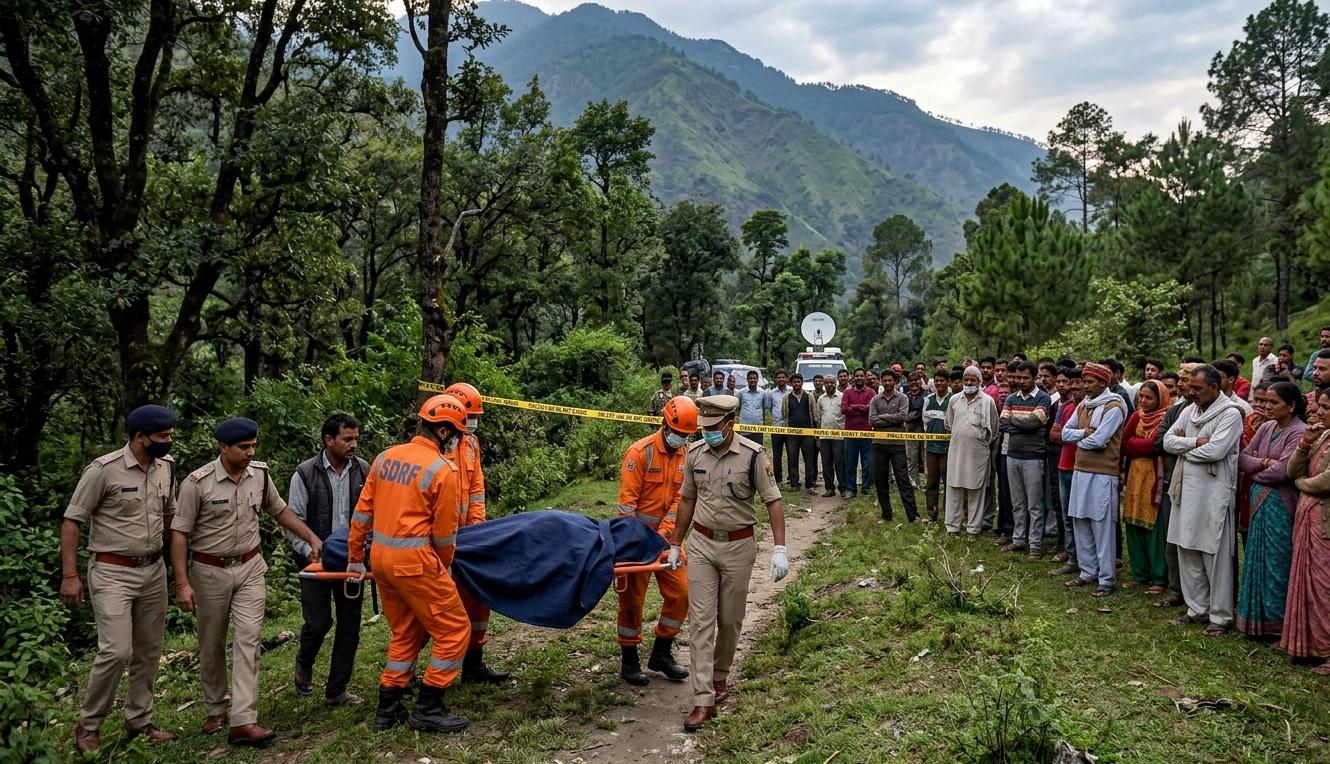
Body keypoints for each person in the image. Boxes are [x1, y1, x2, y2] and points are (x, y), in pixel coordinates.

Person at [172, 417, 323, 746]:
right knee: (211, 644)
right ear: (223, 447)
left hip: (251, 567)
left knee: (249, 642)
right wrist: (181, 581)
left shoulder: (261, 474)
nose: (250, 452)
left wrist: (311, 537)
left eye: (253, 445)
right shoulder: (197, 483)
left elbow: (279, 510)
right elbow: (180, 533)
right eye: (243, 447)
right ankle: (215, 708)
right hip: (209, 571)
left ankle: (244, 720)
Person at [348, 395, 473, 734]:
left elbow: (361, 514)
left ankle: (387, 709)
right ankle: (429, 706)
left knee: (406, 632)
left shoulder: (385, 458)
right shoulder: (442, 471)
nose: (459, 439)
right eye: (458, 433)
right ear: (445, 432)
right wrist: (443, 567)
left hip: (382, 562)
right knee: (454, 630)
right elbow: (445, 536)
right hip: (416, 563)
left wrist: (355, 558)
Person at [63, 405, 180, 755]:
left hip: (153, 569)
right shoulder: (103, 470)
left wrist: (179, 572)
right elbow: (72, 521)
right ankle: (89, 725)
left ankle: (139, 720)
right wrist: (70, 575)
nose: (168, 441)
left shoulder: (166, 467)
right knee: (116, 650)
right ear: (139, 437)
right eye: (162, 437)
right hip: (112, 571)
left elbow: (172, 518)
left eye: (170, 436)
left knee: (148, 649)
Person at [667, 395, 786, 732]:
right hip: (702, 544)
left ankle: (720, 676)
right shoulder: (694, 454)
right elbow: (688, 499)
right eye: (703, 428)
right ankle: (703, 698)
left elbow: (773, 501)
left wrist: (780, 548)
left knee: (730, 620)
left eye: (713, 427)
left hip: (738, 547)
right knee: (701, 622)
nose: (706, 433)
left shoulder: (752, 455)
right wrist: (676, 543)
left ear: (729, 424)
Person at [288, 413, 370, 705]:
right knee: (318, 622)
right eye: (347, 439)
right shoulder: (305, 473)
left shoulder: (363, 471)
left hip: (351, 560)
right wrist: (308, 549)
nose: (354, 445)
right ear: (329, 440)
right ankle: (304, 662)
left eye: (356, 439)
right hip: (315, 563)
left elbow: (372, 517)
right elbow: (293, 520)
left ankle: (337, 689)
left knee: (350, 624)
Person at [616, 396, 695, 686]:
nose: (682, 439)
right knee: (631, 601)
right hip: (635, 540)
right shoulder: (640, 453)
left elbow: (682, 501)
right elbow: (626, 507)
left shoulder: (689, 455)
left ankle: (661, 651)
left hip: (669, 541)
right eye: (679, 433)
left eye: (688, 435)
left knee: (682, 594)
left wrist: (667, 538)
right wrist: (637, 542)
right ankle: (629, 660)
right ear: (664, 423)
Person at [1163, 365, 1244, 636]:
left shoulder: (1231, 414)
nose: (1191, 392)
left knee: (1214, 554)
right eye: (1191, 388)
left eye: (1197, 388)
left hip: (1213, 494)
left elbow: (1217, 450)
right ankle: (1196, 608)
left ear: (1215, 387)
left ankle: (1220, 616)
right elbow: (1167, 442)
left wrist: (1185, 449)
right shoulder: (1188, 410)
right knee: (1187, 548)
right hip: (1185, 490)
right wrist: (1195, 443)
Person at [444, 381, 508, 684]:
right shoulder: (435, 447)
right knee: (440, 607)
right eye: (469, 416)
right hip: (438, 541)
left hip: (469, 539)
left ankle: (474, 663)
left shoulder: (471, 443)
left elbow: (476, 490)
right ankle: (422, 674)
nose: (473, 422)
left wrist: (477, 532)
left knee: (477, 599)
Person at [1236, 382, 1307, 638]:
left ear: (1291, 406)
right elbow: (1242, 457)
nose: (1266, 406)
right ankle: (1256, 621)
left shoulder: (1299, 432)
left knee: (1278, 562)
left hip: (1281, 504)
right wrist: (1263, 462)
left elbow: (1284, 470)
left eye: (1273, 402)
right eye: (1265, 401)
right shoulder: (1266, 427)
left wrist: (1257, 472)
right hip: (1260, 502)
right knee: (1257, 558)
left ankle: (1279, 625)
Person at [1061, 362, 1127, 598]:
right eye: (1084, 382)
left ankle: (1106, 578)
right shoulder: (1083, 405)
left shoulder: (1114, 406)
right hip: (1081, 470)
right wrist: (1084, 434)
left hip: (1103, 474)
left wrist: (1080, 438)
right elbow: (1064, 433)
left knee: (1102, 524)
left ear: (1103, 382)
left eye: (1089, 382)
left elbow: (1099, 441)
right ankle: (1087, 572)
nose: (1085, 386)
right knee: (1080, 519)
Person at [1282, 387, 1330, 672]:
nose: (1318, 412)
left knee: (1325, 586)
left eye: (1325, 408)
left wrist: (1302, 485)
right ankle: (1310, 646)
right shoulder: (1320, 435)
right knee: (1307, 579)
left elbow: (1325, 481)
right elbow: (1291, 470)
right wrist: (1303, 445)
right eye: (1319, 406)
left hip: (1324, 522)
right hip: (1308, 519)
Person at [1151, 363, 1200, 608]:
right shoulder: (1176, 409)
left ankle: (1201, 594)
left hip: (1202, 484)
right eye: (1179, 379)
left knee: (1198, 541)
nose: (1180, 384)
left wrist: (1181, 441)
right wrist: (1193, 442)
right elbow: (1160, 442)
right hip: (1174, 480)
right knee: (1174, 539)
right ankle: (1177, 589)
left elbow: (1212, 446)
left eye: (1186, 378)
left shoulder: (1224, 411)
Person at [1120, 380, 1173, 592]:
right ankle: (1139, 573)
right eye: (1141, 396)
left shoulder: (1165, 418)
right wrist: (1137, 445)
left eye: (1149, 397)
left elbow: (1156, 446)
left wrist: (1135, 444)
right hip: (1134, 478)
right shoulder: (1136, 416)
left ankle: (1159, 577)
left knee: (1154, 528)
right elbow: (1124, 443)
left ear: (1160, 399)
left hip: (1154, 480)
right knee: (1133, 523)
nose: (1143, 400)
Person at [998, 362, 1052, 559]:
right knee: (1017, 502)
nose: (1020, 381)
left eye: (1025, 378)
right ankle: (1019, 539)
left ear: (1034, 377)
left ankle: (1035, 545)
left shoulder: (1044, 399)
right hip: (1012, 455)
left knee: (1035, 504)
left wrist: (1019, 422)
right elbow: (1003, 424)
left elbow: (1034, 424)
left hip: (1034, 457)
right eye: (1018, 378)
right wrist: (1025, 424)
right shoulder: (1011, 398)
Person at [944, 366, 999, 536]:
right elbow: (949, 424)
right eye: (966, 379)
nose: (968, 383)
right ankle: (952, 527)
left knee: (976, 490)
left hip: (978, 453)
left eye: (972, 380)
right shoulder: (954, 400)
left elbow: (994, 430)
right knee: (954, 487)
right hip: (957, 452)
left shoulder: (987, 401)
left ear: (979, 382)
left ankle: (973, 529)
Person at [869, 370, 918, 522]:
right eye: (885, 380)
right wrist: (891, 418)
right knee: (881, 480)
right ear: (881, 381)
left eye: (890, 380)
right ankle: (886, 514)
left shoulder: (903, 398)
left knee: (903, 479)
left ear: (895, 381)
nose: (888, 383)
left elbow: (902, 417)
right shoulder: (875, 400)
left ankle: (913, 515)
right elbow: (872, 420)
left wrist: (882, 417)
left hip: (897, 445)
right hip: (879, 444)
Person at [1049, 368, 1084, 575]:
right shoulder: (1066, 406)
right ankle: (1072, 558)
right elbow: (1054, 435)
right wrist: (1079, 435)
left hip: (1084, 467)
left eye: (1080, 382)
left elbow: (1096, 436)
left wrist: (1069, 434)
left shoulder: (1093, 408)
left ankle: (1087, 559)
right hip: (1064, 464)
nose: (1076, 386)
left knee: (1083, 517)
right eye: (1074, 383)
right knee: (1067, 516)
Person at [921, 370, 953, 523]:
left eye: (942, 381)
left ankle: (950, 514)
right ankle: (931, 513)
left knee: (949, 482)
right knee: (931, 482)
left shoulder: (954, 399)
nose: (939, 383)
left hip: (949, 449)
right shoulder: (928, 400)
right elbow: (925, 422)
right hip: (931, 448)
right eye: (937, 381)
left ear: (948, 382)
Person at [841, 367, 876, 497]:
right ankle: (851, 489)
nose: (859, 378)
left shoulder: (871, 392)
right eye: (857, 376)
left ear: (865, 377)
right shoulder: (847, 392)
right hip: (850, 433)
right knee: (850, 463)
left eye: (862, 376)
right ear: (853, 378)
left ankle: (866, 487)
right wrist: (862, 408)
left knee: (867, 463)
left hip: (867, 433)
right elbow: (844, 409)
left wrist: (855, 407)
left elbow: (871, 409)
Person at [781, 374, 817, 494]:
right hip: (792, 433)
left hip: (808, 432)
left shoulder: (809, 396)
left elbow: (814, 414)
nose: (797, 384)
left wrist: (815, 433)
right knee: (792, 458)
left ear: (802, 383)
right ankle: (794, 484)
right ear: (791, 384)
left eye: (799, 381)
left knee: (809, 460)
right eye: (794, 382)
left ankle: (809, 485)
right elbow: (784, 414)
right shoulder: (787, 397)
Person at [814, 374, 846, 498]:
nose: (829, 385)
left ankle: (843, 488)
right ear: (824, 384)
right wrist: (817, 437)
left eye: (832, 382)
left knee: (839, 462)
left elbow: (846, 417)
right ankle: (829, 488)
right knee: (826, 463)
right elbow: (818, 418)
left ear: (836, 383)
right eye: (827, 382)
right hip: (824, 436)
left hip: (839, 436)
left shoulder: (842, 397)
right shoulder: (821, 399)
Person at [769, 369, 791, 484]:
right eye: (779, 377)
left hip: (790, 428)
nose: (781, 379)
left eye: (783, 377)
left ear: (787, 379)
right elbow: (768, 407)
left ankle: (791, 478)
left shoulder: (792, 391)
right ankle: (778, 479)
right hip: (776, 427)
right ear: (775, 379)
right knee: (777, 455)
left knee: (791, 454)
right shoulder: (771, 393)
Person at [736, 370, 770, 446]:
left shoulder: (763, 393)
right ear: (747, 379)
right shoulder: (741, 392)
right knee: (744, 450)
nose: (752, 380)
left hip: (757, 428)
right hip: (744, 428)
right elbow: (738, 408)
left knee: (757, 450)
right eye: (750, 378)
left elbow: (764, 409)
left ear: (758, 380)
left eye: (754, 378)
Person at [905, 373, 927, 488]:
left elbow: (924, 412)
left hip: (924, 430)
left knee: (926, 457)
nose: (914, 383)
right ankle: (913, 482)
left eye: (916, 380)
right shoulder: (905, 396)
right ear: (908, 382)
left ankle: (928, 482)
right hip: (910, 430)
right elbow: (903, 414)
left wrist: (912, 415)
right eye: (911, 380)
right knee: (911, 457)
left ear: (920, 380)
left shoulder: (927, 395)